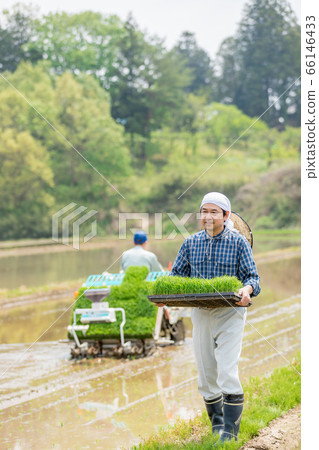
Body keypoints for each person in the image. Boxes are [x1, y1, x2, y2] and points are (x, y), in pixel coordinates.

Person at [170, 192, 261, 445]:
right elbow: (176, 277)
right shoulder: (190, 243)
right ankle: (217, 425)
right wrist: (165, 296)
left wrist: (247, 291)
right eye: (204, 211)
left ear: (225, 216)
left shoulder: (238, 243)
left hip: (230, 313)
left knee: (227, 371)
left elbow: (252, 278)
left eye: (214, 212)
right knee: (206, 374)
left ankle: (230, 432)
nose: (208, 216)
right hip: (201, 314)